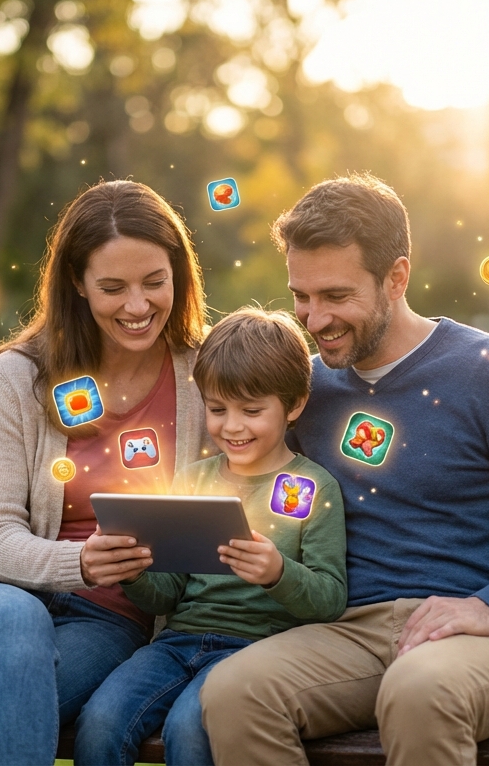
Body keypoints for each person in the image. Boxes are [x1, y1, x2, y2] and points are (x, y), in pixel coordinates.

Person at [200, 174, 489, 764]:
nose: (314, 319)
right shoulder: (307, 390)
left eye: (336, 295)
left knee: (420, 689)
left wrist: (488, 605)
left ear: (396, 278)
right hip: (347, 633)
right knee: (233, 692)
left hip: (481, 639)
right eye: (302, 296)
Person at [0, 180, 215, 765]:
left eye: (154, 282)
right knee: (19, 619)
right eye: (113, 288)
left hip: (106, 619)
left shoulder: (205, 372)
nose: (138, 306)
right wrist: (78, 563)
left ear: (179, 274)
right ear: (77, 283)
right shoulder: (19, 375)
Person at [75, 307, 347, 765]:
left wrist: (278, 573)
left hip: (255, 651)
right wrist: (134, 569)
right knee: (100, 721)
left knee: (189, 728)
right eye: (217, 409)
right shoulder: (193, 479)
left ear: (295, 405)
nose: (232, 426)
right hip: (178, 642)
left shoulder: (313, 487)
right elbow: (167, 594)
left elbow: (330, 599)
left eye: (251, 411)